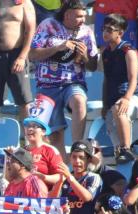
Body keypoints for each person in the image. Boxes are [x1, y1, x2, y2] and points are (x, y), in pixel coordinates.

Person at [29, 0, 98, 160]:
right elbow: (32, 54)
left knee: (79, 101)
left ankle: (78, 148)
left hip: (73, 82)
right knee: (55, 136)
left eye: (84, 16)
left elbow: (93, 66)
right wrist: (58, 48)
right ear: (67, 15)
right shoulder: (48, 25)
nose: (83, 20)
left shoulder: (86, 31)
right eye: (79, 16)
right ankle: (65, 168)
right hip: (47, 85)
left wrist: (85, 56)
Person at [100, 13, 138, 164]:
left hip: (132, 98)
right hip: (113, 102)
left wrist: (126, 98)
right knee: (111, 121)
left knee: (119, 109)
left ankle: (126, 148)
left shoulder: (128, 51)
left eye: (110, 29)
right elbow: (106, 80)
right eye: (104, 29)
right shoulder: (105, 53)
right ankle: (123, 155)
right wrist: (104, 104)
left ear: (120, 32)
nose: (105, 32)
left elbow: (133, 79)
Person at [0, 147, 49, 214]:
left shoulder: (34, 183)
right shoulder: (10, 186)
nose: (7, 165)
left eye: (11, 161)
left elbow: (42, 213)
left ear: (21, 165)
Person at [23, 110, 63, 190]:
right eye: (28, 126)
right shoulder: (21, 151)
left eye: (34, 126)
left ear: (43, 132)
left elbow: (61, 177)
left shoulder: (50, 150)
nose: (30, 129)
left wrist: (42, 177)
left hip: (44, 197)